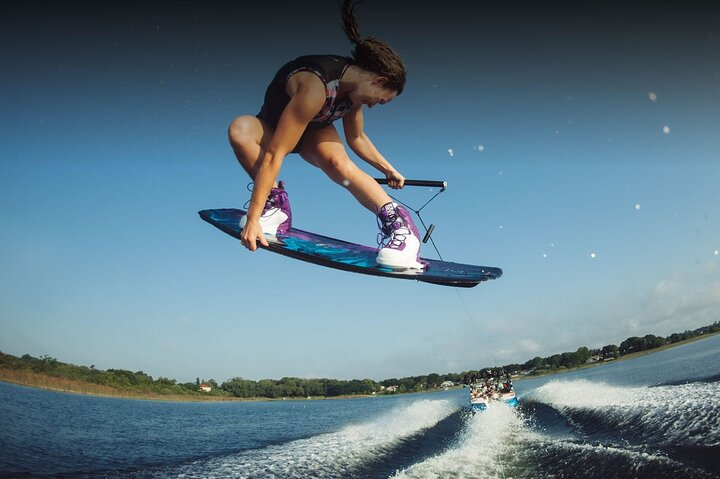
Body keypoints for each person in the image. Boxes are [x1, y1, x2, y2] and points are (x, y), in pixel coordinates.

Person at [228, 0, 424, 270]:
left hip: (313, 133)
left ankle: (401, 226)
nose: (371, 105)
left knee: (339, 164)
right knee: (240, 128)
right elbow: (275, 153)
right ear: (378, 80)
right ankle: (275, 206)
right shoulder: (315, 87)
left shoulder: (354, 93)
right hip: (272, 129)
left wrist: (388, 169)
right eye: (379, 101)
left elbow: (357, 139)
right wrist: (252, 218)